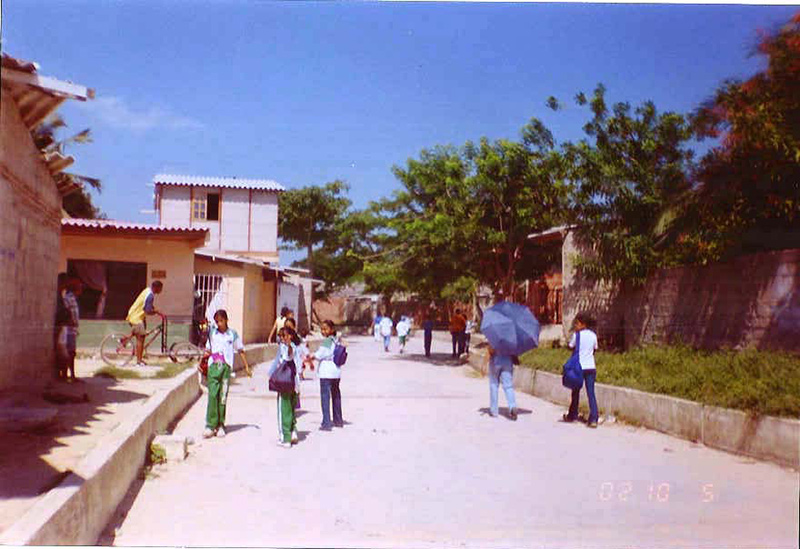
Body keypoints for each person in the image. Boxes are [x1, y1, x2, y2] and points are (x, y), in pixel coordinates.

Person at [203, 309, 251, 439]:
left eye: (221, 321)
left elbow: (240, 350)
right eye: (217, 321)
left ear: (226, 320)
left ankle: (220, 425)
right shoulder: (213, 334)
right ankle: (210, 425)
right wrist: (203, 360)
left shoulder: (232, 334)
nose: (219, 324)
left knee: (222, 397)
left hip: (225, 369)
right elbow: (208, 349)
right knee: (212, 395)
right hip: (213, 367)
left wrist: (246, 366)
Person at [563, 313, 600, 428]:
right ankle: (593, 418)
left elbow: (571, 346)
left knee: (575, 391)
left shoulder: (577, 335)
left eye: (577, 323)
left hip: (579, 367)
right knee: (591, 393)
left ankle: (572, 414)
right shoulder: (593, 335)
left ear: (583, 324)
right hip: (591, 367)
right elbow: (595, 349)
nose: (575, 325)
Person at [268, 326, 299, 447]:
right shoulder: (295, 347)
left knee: (283, 410)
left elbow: (285, 358)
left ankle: (285, 437)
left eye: (283, 336)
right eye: (280, 336)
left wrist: (271, 374)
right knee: (290, 409)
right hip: (293, 382)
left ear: (290, 336)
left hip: (284, 383)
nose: (281, 338)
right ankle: (292, 431)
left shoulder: (287, 347)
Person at [310, 320, 343, 431]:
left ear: (332, 329)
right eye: (322, 329)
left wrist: (311, 356)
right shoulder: (336, 340)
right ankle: (338, 420)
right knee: (336, 396)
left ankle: (326, 423)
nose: (323, 331)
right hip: (336, 371)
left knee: (325, 397)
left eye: (325, 329)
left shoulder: (327, 341)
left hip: (326, 372)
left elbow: (320, 354)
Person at [126, 280, 164, 367]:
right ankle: (138, 362)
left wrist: (155, 310)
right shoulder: (150, 296)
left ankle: (124, 341)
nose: (161, 290)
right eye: (160, 288)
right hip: (136, 317)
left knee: (140, 334)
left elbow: (148, 305)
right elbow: (147, 311)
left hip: (136, 315)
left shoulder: (147, 290)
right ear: (156, 288)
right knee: (141, 339)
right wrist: (156, 312)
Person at [487, 343, 518, 420]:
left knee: (494, 384)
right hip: (508, 361)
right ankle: (512, 406)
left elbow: (491, 350)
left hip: (496, 360)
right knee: (508, 386)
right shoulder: (511, 338)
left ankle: (494, 411)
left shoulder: (495, 337)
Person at [62, 278, 83, 382]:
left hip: (72, 329)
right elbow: (67, 312)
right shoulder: (69, 298)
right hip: (68, 330)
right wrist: (71, 322)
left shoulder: (72, 298)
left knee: (71, 352)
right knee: (70, 352)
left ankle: (71, 375)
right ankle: (68, 375)